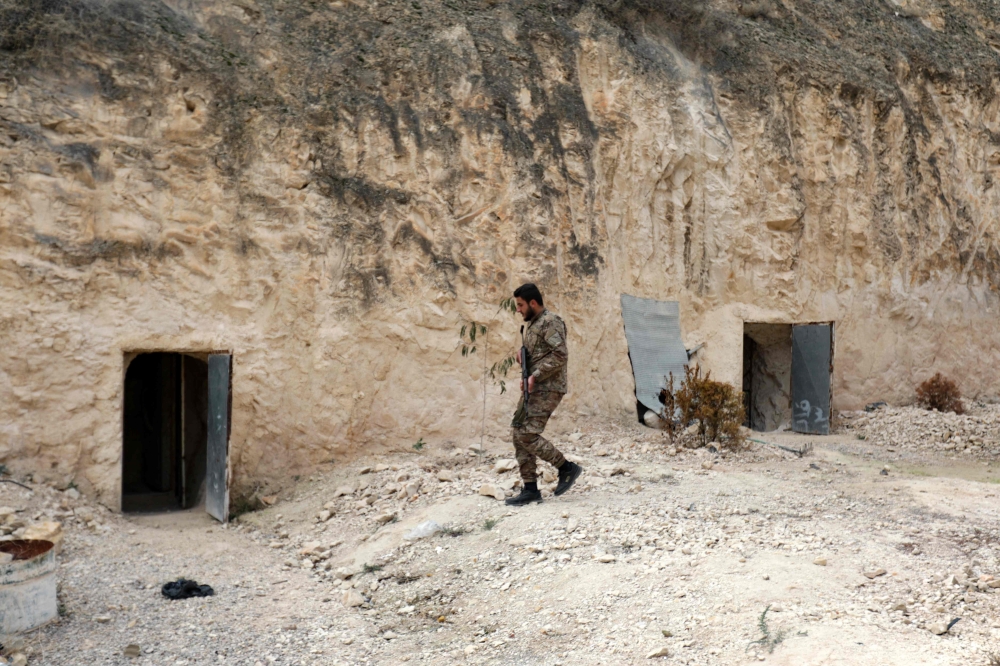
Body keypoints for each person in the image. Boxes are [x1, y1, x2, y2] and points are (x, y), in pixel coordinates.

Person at [505, 283, 583, 506]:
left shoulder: (550, 321)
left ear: (532, 302)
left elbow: (560, 355)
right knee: (518, 431)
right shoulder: (534, 325)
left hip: (548, 387)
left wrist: (535, 375)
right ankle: (530, 488)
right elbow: (542, 353)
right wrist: (524, 358)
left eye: (520, 305)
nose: (518, 310)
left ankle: (566, 468)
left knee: (528, 433)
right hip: (536, 386)